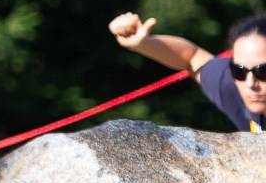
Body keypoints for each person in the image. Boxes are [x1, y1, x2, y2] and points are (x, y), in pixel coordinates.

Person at [109, 12, 266, 132]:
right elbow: (191, 57)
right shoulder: (233, 86)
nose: (250, 83)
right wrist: (143, 44)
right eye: (239, 71)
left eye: (263, 71)